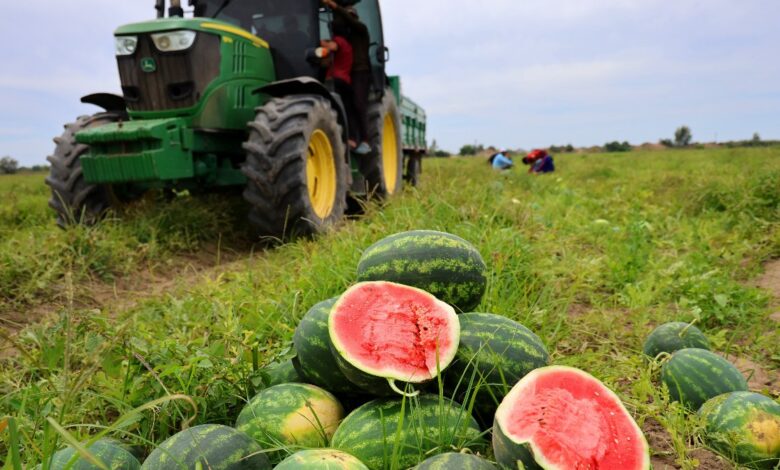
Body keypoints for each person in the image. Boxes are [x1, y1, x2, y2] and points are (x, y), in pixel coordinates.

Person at [323, 0, 372, 155]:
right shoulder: (346, 38)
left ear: (355, 17)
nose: (348, 19)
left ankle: (366, 140)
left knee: (358, 103)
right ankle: (351, 138)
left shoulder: (361, 29)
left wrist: (336, 7)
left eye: (350, 16)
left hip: (361, 72)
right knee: (348, 106)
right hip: (348, 75)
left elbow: (349, 22)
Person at [321, 22, 359, 150]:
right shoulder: (349, 45)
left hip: (335, 79)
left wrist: (320, 42)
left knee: (331, 109)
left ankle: (337, 137)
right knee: (347, 110)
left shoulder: (339, 40)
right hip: (346, 81)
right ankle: (351, 139)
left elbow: (333, 47)